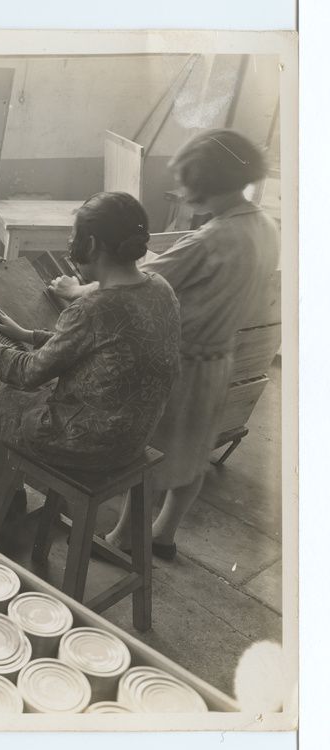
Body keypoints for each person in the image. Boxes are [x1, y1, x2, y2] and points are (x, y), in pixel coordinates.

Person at [51, 129, 279, 560]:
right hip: (219, 360)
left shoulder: (207, 241)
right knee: (194, 452)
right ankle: (163, 534)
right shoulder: (264, 226)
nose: (182, 190)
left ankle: (121, 541)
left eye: (188, 180)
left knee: (148, 452)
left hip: (179, 361)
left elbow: (134, 284)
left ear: (204, 183)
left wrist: (74, 290)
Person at [0, 191, 181, 516]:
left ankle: (4, 498)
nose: (71, 243)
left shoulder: (92, 307)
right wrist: (27, 335)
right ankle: (12, 485)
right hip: (135, 436)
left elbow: (30, 375)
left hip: (89, 446)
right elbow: (95, 345)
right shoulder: (160, 287)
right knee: (15, 393)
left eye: (74, 236)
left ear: (92, 244)